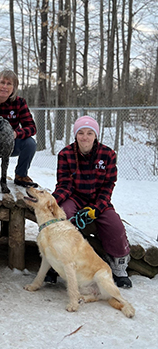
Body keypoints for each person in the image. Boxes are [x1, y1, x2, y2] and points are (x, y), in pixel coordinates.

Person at [49, 115, 132, 289]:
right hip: (74, 197)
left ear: (96, 135)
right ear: (75, 135)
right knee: (63, 217)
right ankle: (56, 263)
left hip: (98, 200)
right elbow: (65, 184)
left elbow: (108, 186)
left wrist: (96, 208)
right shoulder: (65, 154)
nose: (85, 137)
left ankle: (118, 265)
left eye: (89, 133)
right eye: (81, 133)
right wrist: (52, 202)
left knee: (114, 225)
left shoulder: (108, 154)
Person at [0, 69, 38, 188]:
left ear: (14, 88)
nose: (5, 87)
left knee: (30, 143)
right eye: (2, 82)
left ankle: (21, 175)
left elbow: (31, 128)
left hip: (10, 145)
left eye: (9, 84)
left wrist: (15, 134)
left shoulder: (20, 103)